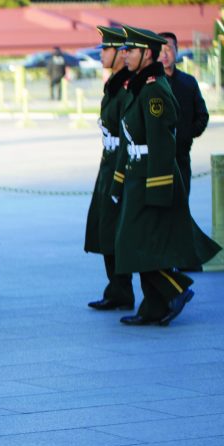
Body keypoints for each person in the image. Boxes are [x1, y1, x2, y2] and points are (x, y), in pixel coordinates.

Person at [110, 25, 221, 327]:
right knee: (138, 243)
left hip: (151, 178)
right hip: (138, 175)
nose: (125, 55)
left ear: (147, 53)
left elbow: (161, 142)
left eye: (130, 50)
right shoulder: (142, 86)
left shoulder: (154, 89)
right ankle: (153, 308)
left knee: (135, 244)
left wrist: (158, 189)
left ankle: (176, 288)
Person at [84, 26, 135, 312]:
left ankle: (123, 289)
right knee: (105, 228)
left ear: (120, 53)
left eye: (106, 49)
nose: (101, 53)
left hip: (119, 163)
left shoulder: (127, 87)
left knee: (115, 228)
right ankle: (116, 289)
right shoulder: (115, 84)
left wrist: (118, 175)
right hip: (109, 161)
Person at [157, 31, 209, 197]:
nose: (164, 54)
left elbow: (202, 115)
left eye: (169, 49)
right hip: (158, 159)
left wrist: (188, 134)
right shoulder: (151, 83)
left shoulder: (188, 82)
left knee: (182, 204)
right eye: (160, 50)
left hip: (182, 156)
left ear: (177, 50)